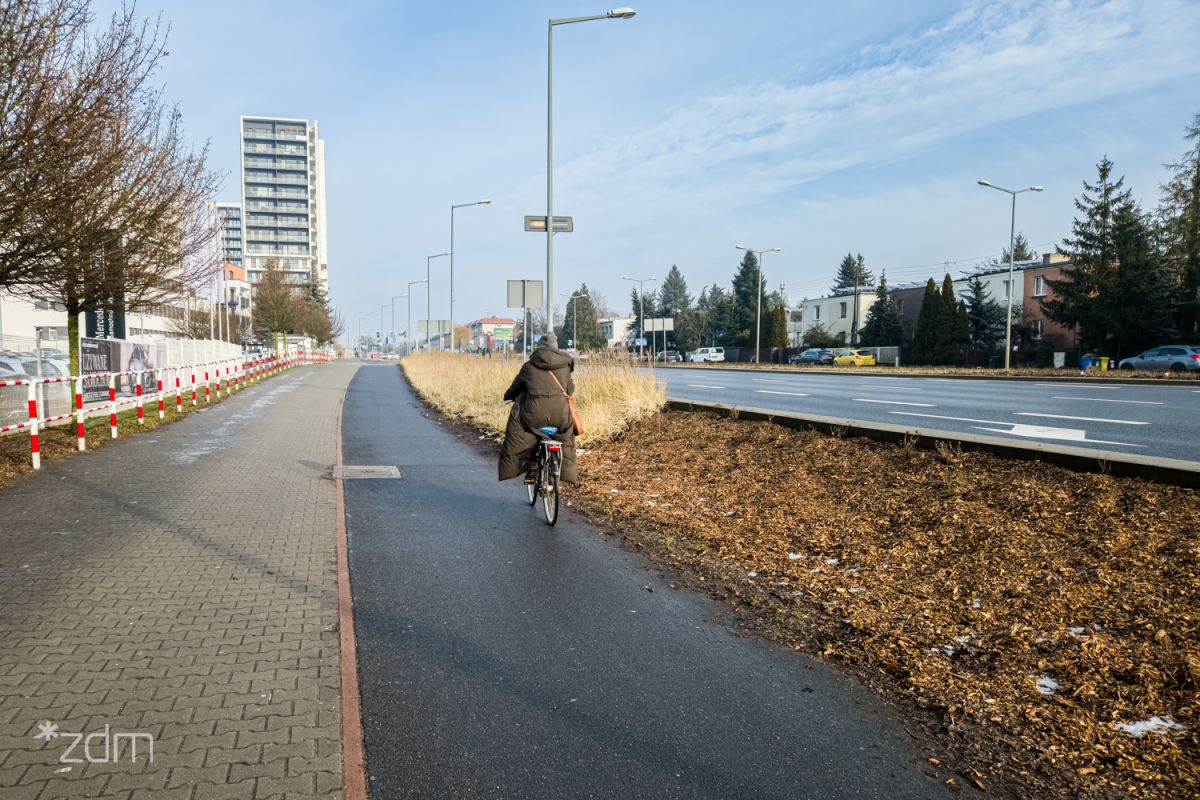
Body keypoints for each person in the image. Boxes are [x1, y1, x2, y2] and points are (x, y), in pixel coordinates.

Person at [498, 332, 579, 485]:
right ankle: (563, 470)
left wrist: (508, 396)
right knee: (566, 438)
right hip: (560, 415)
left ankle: (533, 465)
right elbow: (569, 389)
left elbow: (516, 388)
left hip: (534, 415)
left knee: (527, 432)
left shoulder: (529, 366)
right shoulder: (565, 364)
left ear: (539, 347)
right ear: (556, 348)